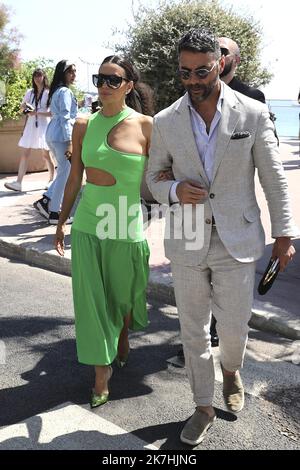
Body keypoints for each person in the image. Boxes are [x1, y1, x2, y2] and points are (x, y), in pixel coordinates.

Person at [146, 28, 297, 446]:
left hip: (239, 239)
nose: (193, 81)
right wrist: (175, 190)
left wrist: (284, 234)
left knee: (233, 327)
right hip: (187, 239)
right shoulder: (165, 121)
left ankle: (231, 369)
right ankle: (202, 406)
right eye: (184, 73)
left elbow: (275, 180)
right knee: (193, 330)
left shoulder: (251, 113)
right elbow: (153, 178)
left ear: (220, 64)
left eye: (201, 71)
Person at [54, 55, 153, 408]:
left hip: (125, 224)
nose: (104, 86)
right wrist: (62, 220)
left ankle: (123, 334)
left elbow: (158, 179)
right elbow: (74, 177)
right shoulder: (83, 124)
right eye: (100, 79)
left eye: (114, 80)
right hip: (88, 223)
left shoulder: (146, 126)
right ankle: (101, 373)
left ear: (128, 85)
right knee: (91, 301)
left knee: (124, 297)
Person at [33, 60, 78, 224]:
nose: (74, 75)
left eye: (74, 71)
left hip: (52, 134)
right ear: (63, 73)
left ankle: (48, 203)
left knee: (63, 172)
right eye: (70, 71)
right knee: (65, 173)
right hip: (61, 137)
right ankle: (53, 212)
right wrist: (70, 142)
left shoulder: (56, 90)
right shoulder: (64, 91)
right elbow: (66, 117)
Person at [4, 69, 55, 192]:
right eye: (35, 75)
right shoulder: (30, 93)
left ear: (44, 77)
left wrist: (36, 112)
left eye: (39, 75)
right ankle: (18, 182)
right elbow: (22, 108)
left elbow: (52, 113)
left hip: (44, 125)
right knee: (25, 154)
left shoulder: (48, 93)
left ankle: (52, 180)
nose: (37, 78)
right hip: (31, 125)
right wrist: (26, 109)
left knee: (46, 155)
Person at [218, 37, 266, 103]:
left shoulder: (253, 97)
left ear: (236, 60)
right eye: (213, 52)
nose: (217, 56)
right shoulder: (201, 92)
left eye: (222, 51)